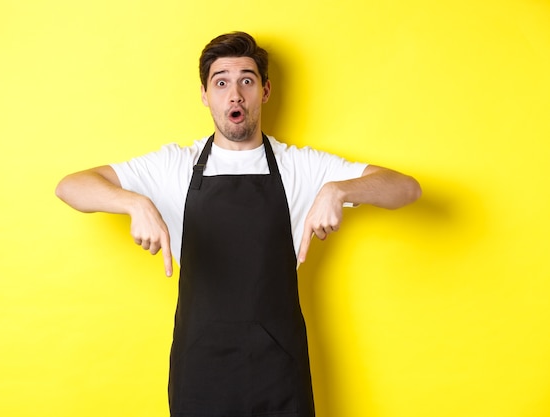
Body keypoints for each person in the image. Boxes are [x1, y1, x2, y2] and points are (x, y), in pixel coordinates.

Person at [56, 31, 421, 417]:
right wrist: (132, 201)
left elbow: (406, 189)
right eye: (221, 82)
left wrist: (337, 189)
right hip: (200, 370)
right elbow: (70, 187)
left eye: (246, 80)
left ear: (264, 91)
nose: (235, 94)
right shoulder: (174, 166)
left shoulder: (300, 166)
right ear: (204, 94)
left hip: (279, 368)